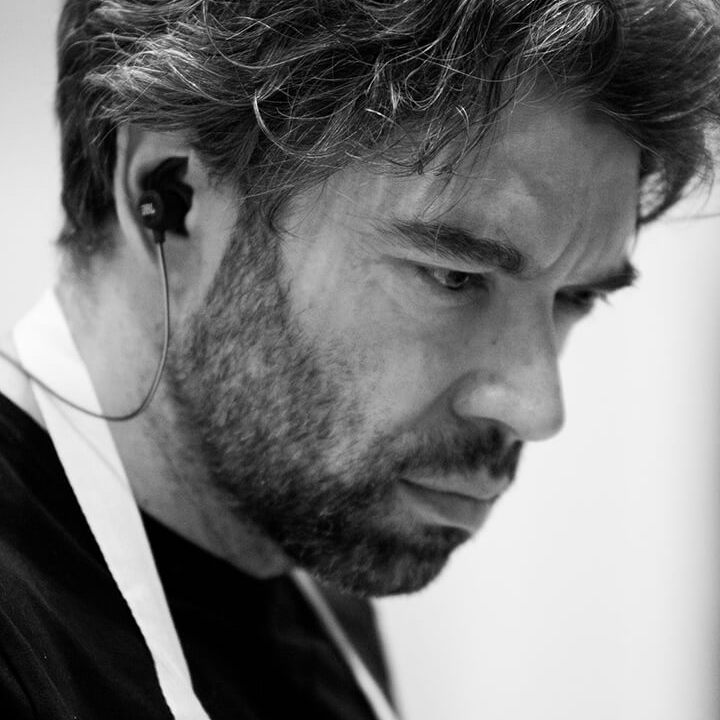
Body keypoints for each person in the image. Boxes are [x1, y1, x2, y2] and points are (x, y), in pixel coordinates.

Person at [0, 1, 718, 718]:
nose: (537, 408)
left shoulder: (316, 566)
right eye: (454, 277)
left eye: (576, 298)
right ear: (171, 197)